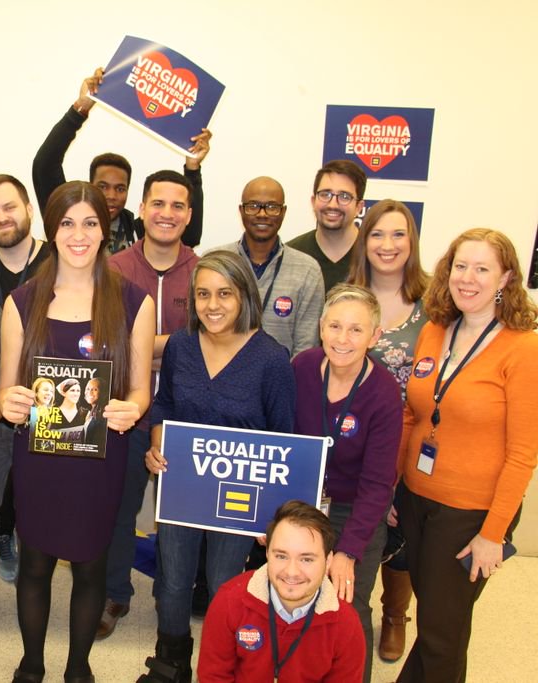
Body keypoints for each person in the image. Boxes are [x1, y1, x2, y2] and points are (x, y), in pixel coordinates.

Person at [0, 180, 155, 682]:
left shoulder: (134, 301)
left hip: (100, 458)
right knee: (34, 565)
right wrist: (13, 403)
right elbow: (6, 390)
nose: (79, 234)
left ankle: (78, 668)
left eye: (90, 223)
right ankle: (31, 665)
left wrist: (132, 409)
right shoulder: (21, 302)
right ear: (51, 230)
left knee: (91, 565)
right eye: (67, 223)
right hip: (39, 458)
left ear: (105, 230)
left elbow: (140, 390)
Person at [142, 250, 296, 680]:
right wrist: (156, 441)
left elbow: (283, 438)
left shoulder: (271, 359)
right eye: (203, 294)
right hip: (181, 486)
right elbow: (165, 403)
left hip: (238, 496)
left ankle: (220, 666)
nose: (212, 305)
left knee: (225, 582)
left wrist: (274, 514)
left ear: (245, 295)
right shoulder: (181, 346)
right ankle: (170, 663)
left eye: (225, 293)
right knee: (173, 580)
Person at [394, 228, 538, 682]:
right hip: (416, 497)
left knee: (442, 632)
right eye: (460, 266)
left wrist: (493, 534)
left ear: (506, 278)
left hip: (470, 512)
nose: (467, 278)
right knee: (438, 619)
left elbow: (523, 453)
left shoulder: (524, 348)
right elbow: (412, 416)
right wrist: (394, 485)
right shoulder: (435, 330)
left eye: (482, 269)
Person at [99, 169, 199, 639]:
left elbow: (208, 343)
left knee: (178, 517)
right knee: (119, 511)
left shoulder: (203, 271)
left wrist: (146, 344)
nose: (167, 214)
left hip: (183, 416)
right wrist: (172, 343)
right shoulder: (115, 268)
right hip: (125, 413)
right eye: (158, 203)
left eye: (178, 206)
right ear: (142, 209)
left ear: (189, 215)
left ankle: (173, 595)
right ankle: (115, 592)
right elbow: (108, 341)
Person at [292, 283, 402, 682]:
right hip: (303, 502)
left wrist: (348, 551)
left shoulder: (384, 393)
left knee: (348, 603)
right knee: (294, 600)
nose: (342, 338)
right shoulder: (302, 368)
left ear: (374, 336)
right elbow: (282, 445)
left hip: (356, 507)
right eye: (335, 326)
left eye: (356, 330)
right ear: (321, 327)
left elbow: (377, 484)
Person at [346, 199, 430, 661]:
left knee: (401, 529)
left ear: (411, 242)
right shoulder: (348, 296)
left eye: (398, 234)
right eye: (377, 234)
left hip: (412, 439)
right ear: (364, 241)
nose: (387, 244)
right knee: (363, 523)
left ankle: (395, 613)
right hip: (355, 437)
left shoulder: (434, 303)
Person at [0, 174, 51, 602]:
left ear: (29, 209)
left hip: (47, 400)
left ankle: (32, 569)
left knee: (39, 497)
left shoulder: (58, 259)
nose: (1, 218)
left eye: (9, 207)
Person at [32, 68, 209, 252]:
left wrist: (193, 169)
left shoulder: (138, 232)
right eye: (102, 186)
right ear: (91, 187)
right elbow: (44, 166)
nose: (111, 196)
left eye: (120, 188)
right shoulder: (66, 217)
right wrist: (79, 109)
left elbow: (190, 236)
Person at [196, 501, 366, 683]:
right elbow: (213, 676)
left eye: (306, 559)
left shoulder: (346, 626)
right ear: (267, 553)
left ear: (328, 561)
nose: (291, 572)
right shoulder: (229, 601)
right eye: (281, 556)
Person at [210, 175, 325, 357]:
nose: (262, 214)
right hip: (220, 372)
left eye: (272, 207)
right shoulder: (215, 261)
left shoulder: (307, 270)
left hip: (282, 374)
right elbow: (201, 331)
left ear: (283, 212)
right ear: (241, 211)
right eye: (253, 206)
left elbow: (305, 348)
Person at [287, 160, 367, 292]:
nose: (333, 204)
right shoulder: (290, 256)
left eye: (344, 196)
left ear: (359, 207)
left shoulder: (373, 255)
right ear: (313, 201)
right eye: (325, 194)